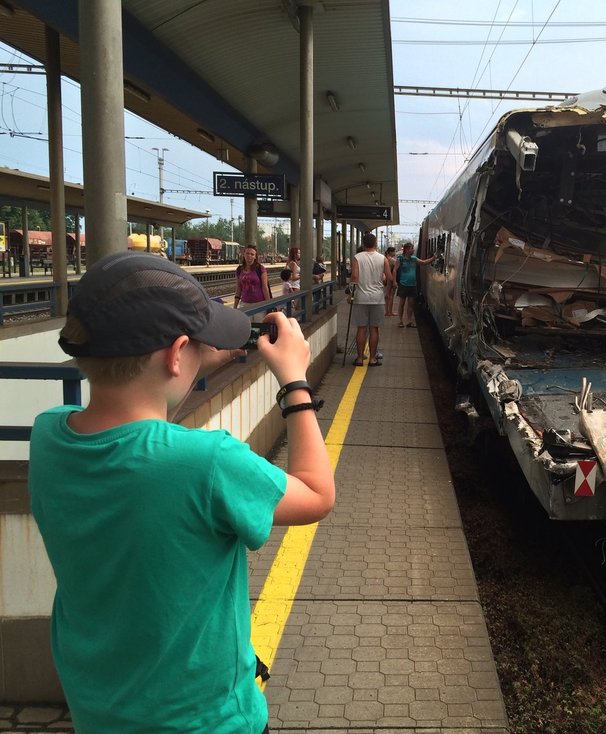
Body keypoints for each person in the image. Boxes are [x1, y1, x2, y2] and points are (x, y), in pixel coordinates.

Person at [29, 251, 335, 734]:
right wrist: (294, 381)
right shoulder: (207, 463)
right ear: (176, 355)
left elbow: (140, 433)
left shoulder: (48, 438)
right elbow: (318, 493)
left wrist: (193, 360)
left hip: (99, 713)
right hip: (208, 722)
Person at [350, 232, 390, 366]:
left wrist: (351, 293)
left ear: (363, 244)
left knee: (361, 328)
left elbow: (354, 277)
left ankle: (360, 358)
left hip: (361, 297)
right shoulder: (382, 258)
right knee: (374, 329)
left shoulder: (357, 257)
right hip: (377, 298)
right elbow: (388, 278)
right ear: (375, 243)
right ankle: (373, 359)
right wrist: (383, 280)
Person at [396, 242, 434, 328]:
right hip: (403, 284)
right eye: (411, 248)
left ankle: (409, 321)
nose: (413, 250)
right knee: (401, 303)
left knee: (410, 304)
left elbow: (424, 262)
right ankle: (400, 321)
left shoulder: (414, 259)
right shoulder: (400, 258)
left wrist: (434, 258)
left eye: (413, 248)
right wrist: (395, 281)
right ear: (406, 249)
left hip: (412, 284)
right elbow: (395, 270)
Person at [233, 243, 273, 311]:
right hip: (244, 304)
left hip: (259, 304)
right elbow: (238, 288)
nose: (249, 256)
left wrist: (268, 305)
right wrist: (235, 307)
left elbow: (265, 288)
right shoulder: (239, 270)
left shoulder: (260, 269)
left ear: (255, 257)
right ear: (244, 255)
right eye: (247, 253)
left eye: (252, 254)